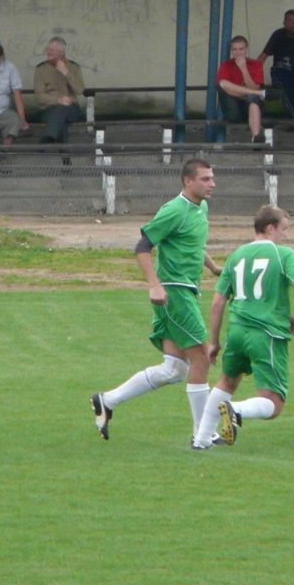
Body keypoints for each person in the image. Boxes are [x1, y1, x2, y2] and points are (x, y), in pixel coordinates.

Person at [90, 158, 222, 443]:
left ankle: (107, 400)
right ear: (187, 181)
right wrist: (154, 285)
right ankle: (203, 434)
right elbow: (142, 247)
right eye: (205, 179)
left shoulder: (201, 208)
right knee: (201, 357)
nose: (212, 184)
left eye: (212, 178)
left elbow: (192, 244)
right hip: (174, 294)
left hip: (185, 291)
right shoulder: (174, 210)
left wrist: (213, 268)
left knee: (174, 369)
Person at [192, 205, 294, 450]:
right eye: (284, 229)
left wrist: (214, 342)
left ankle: (201, 440)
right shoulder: (283, 254)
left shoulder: (237, 255)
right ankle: (235, 411)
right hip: (266, 333)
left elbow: (218, 302)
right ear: (270, 228)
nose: (285, 235)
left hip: (237, 331)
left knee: (227, 381)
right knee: (273, 402)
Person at [33, 36, 86, 144]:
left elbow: (80, 90)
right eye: (47, 49)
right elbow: (39, 96)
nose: (48, 52)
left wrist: (66, 72)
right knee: (60, 116)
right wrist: (59, 100)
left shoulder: (73, 67)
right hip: (48, 110)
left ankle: (48, 139)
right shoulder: (40, 69)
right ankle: (63, 152)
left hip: (71, 110)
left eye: (51, 50)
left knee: (61, 111)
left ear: (61, 52)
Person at [216, 35, 267, 142]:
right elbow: (223, 86)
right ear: (231, 51)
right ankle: (259, 94)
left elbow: (254, 88)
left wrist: (243, 68)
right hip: (233, 108)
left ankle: (256, 137)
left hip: (252, 106)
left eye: (241, 49)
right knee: (222, 83)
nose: (238, 52)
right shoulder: (226, 65)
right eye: (234, 49)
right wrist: (256, 92)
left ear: (246, 50)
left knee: (253, 97)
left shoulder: (256, 65)